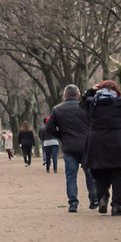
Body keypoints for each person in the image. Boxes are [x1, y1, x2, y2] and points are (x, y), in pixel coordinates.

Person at [82, 79, 121, 215]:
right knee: (120, 173)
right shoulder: (120, 102)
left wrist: (91, 90)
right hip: (119, 141)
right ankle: (117, 205)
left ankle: (102, 198)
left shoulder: (93, 103)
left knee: (100, 172)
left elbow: (82, 102)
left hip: (97, 142)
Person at [46, 85, 93, 213]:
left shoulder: (57, 110)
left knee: (71, 176)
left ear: (65, 95)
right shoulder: (86, 107)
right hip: (86, 145)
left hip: (69, 146)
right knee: (90, 174)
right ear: (78, 94)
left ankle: (73, 203)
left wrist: (61, 136)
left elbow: (48, 128)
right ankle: (94, 199)